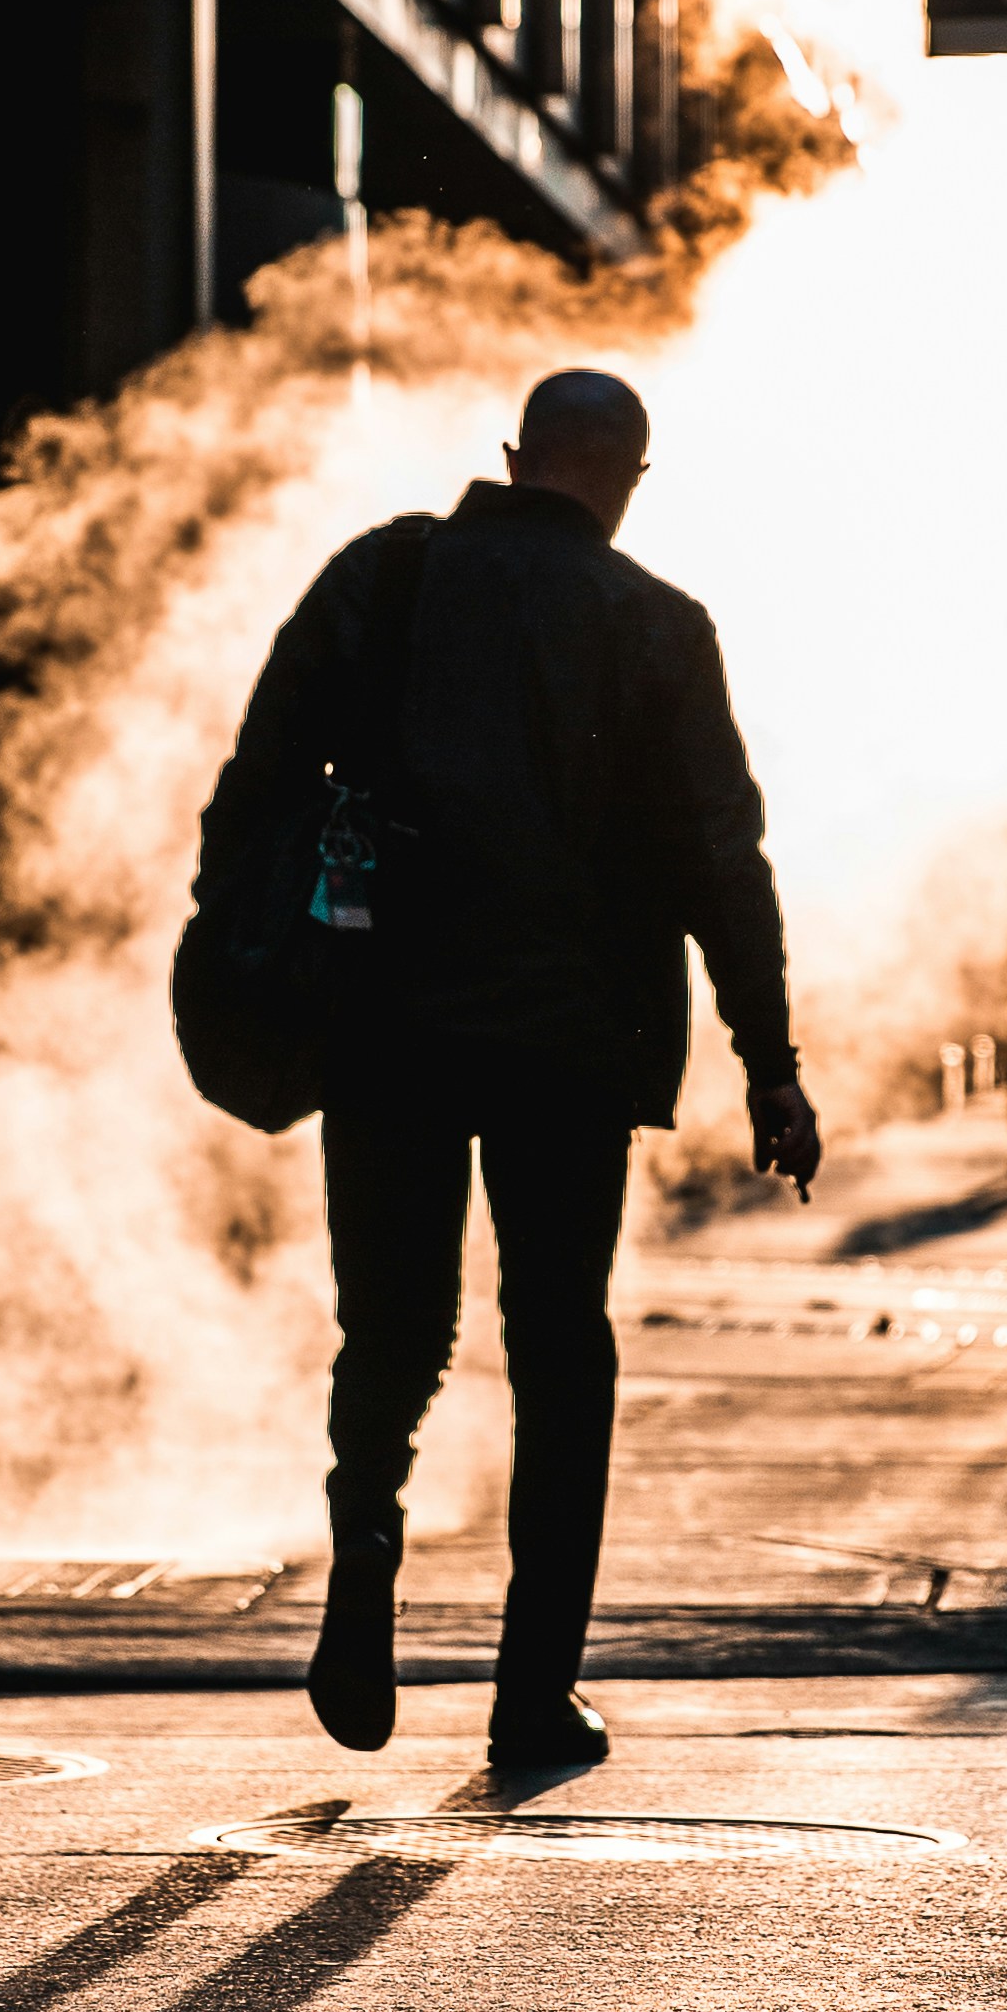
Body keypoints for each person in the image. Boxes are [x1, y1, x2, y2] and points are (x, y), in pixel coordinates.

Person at [194, 364, 819, 1785]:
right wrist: (767, 1063)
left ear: (513, 455)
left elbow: (257, 781)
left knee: (393, 1336)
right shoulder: (658, 628)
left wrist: (248, 952)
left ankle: (364, 1564)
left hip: (385, 1034)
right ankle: (531, 1696)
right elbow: (724, 864)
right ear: (629, 482)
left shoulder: (383, 580)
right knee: (557, 1349)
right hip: (570, 1049)